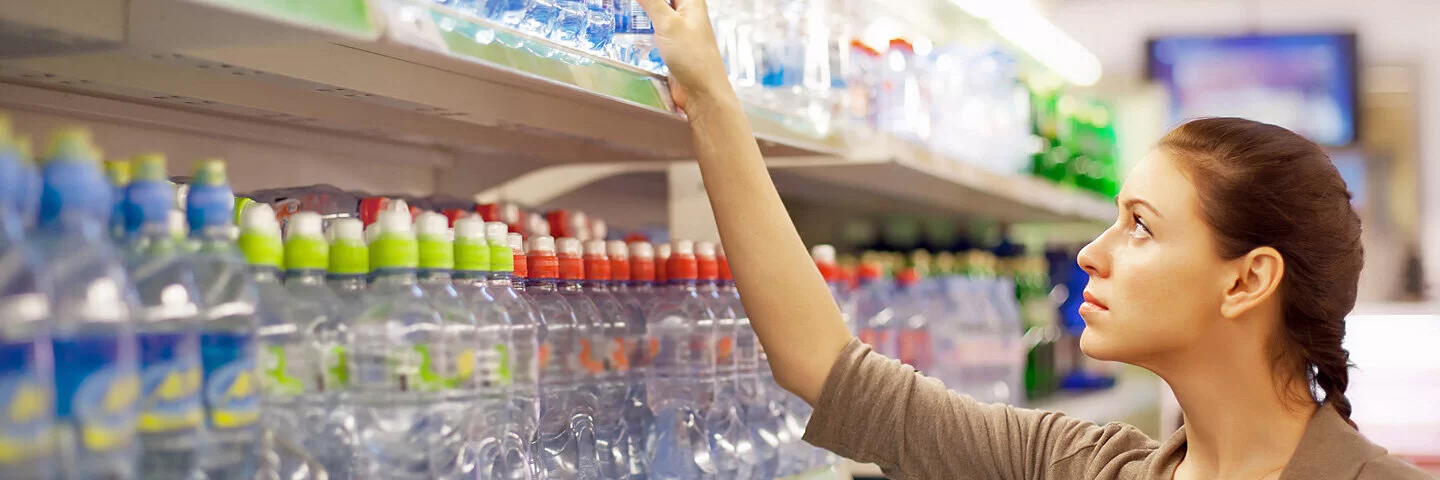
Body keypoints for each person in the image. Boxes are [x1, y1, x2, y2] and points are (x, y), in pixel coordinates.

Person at [630, 0, 1433, 478]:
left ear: (1246, 280)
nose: (1092, 252)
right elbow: (826, 370)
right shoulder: (1083, 466)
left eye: (1140, 227)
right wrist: (710, 99)